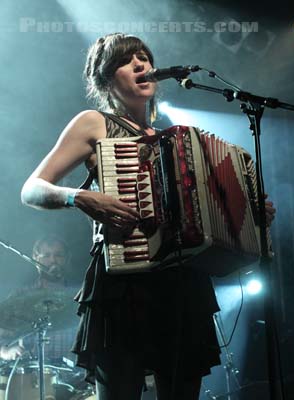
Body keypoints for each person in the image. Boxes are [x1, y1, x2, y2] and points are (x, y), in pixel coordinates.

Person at [20, 33, 275, 400]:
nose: (141, 64)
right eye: (128, 60)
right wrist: (80, 197)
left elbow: (210, 207)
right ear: (107, 79)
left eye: (144, 56)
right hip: (124, 288)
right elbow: (32, 188)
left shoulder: (176, 137)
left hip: (184, 286)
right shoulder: (95, 123)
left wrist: (252, 215)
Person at [0, 235, 77, 362]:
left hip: (73, 375)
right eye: (46, 255)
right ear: (35, 259)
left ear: (67, 259)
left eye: (59, 255)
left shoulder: (80, 297)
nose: (53, 260)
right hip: (30, 372)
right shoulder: (20, 296)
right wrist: (5, 351)